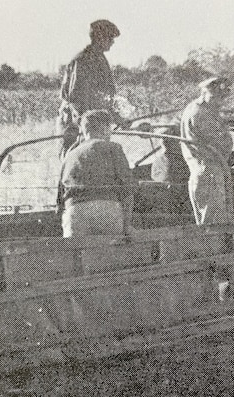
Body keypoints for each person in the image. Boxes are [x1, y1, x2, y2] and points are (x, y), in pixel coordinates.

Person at [58, 110, 136, 237]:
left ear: (84, 130)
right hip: (106, 211)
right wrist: (127, 226)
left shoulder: (70, 155)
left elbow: (60, 195)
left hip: (75, 212)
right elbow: (127, 189)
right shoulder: (114, 148)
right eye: (109, 128)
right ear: (104, 128)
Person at [58, 19, 120, 157]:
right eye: (110, 38)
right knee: (74, 160)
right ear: (99, 38)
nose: (113, 42)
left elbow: (105, 96)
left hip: (94, 124)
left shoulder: (100, 59)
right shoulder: (82, 60)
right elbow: (75, 98)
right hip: (76, 124)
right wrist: (85, 125)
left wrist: (117, 116)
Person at [180, 76, 234, 225]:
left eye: (222, 97)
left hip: (207, 170)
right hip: (208, 172)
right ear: (204, 93)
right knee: (213, 226)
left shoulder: (203, 109)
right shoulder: (201, 113)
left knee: (209, 223)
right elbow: (219, 144)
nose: (219, 101)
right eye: (215, 96)